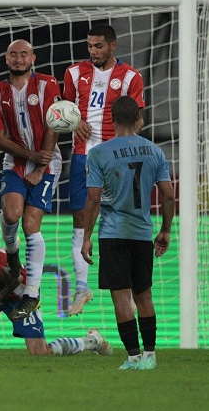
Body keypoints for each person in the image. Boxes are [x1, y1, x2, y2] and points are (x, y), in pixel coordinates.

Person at [81, 96, 173, 370]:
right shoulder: (154, 151)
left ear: (112, 120)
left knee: (121, 296)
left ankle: (133, 357)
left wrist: (86, 236)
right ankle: (150, 356)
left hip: (113, 234)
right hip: (143, 233)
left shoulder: (98, 153)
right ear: (138, 120)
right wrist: (165, 230)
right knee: (144, 295)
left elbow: (94, 198)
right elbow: (167, 195)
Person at [64, 23, 145, 316]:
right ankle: (82, 289)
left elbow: (138, 120)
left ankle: (133, 287)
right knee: (80, 219)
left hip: (117, 158)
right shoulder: (74, 73)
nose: (93, 52)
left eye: (98, 46)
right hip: (82, 157)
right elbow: (65, 111)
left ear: (113, 45)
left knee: (121, 220)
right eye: (89, 46)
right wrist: (75, 122)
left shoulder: (131, 77)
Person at [0, 39, 62, 319]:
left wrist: (41, 165)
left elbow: (55, 123)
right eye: (13, 55)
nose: (18, 59)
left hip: (48, 162)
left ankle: (32, 294)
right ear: (6, 60)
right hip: (15, 161)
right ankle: (11, 250)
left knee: (31, 225)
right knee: (11, 212)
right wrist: (30, 155)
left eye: (24, 54)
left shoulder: (48, 84)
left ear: (33, 58)